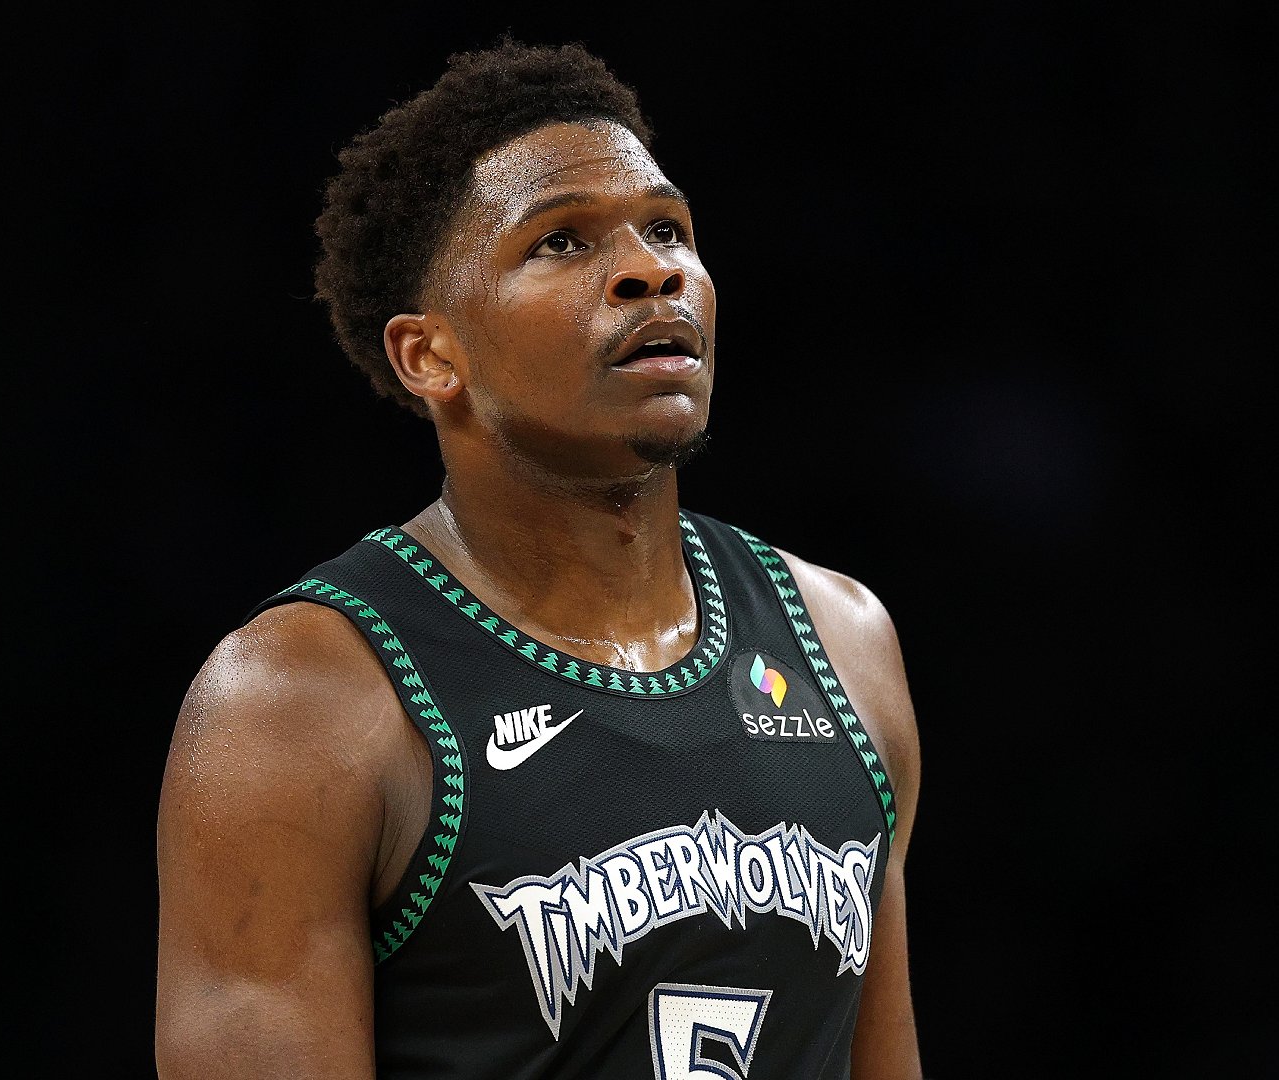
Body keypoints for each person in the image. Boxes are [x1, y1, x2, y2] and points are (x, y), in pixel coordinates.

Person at [155, 38, 924, 1080]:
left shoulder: (843, 639)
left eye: (667, 229)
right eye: (561, 242)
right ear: (431, 356)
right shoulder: (299, 699)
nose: (653, 269)